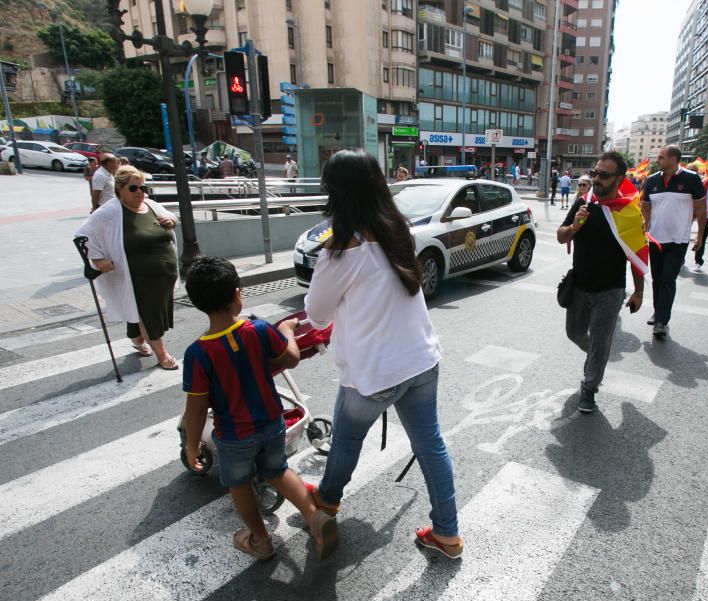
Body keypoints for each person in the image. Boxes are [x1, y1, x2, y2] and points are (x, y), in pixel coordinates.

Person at [304, 149, 463, 559]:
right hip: (421, 360)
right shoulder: (399, 230)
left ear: (334, 192)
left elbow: (316, 313)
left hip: (374, 373)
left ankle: (327, 501)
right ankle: (447, 533)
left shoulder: (339, 251)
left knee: (346, 441)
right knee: (431, 444)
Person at [181, 257, 338, 560]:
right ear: (237, 295)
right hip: (271, 423)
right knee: (278, 470)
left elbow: (197, 406)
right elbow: (290, 358)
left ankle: (261, 539)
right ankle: (314, 515)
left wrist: (192, 445)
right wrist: (288, 331)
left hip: (234, 436)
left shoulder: (198, 354)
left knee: (239, 485)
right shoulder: (259, 330)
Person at [556, 151, 645, 413]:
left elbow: (636, 255)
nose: (597, 179)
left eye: (604, 175)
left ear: (619, 179)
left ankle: (590, 388)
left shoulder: (629, 213)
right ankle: (597, 357)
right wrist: (574, 227)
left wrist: (638, 291)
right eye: (595, 173)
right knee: (574, 333)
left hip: (610, 291)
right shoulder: (583, 203)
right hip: (580, 286)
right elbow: (561, 237)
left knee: (600, 341)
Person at [75, 165, 180, 369]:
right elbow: (83, 235)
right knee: (147, 313)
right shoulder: (110, 212)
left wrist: (171, 220)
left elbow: (173, 218)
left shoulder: (150, 205)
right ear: (120, 189)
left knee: (143, 312)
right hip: (135, 277)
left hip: (163, 276)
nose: (140, 192)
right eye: (134, 188)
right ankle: (162, 355)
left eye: (143, 187)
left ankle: (136, 338)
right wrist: (98, 260)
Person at [640, 145, 706, 339]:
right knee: (657, 278)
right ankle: (657, 311)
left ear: (673, 159)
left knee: (668, 279)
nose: (657, 161)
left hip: (678, 239)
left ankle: (661, 320)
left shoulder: (691, 179)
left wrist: (700, 235)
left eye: (661, 157)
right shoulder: (652, 181)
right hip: (655, 238)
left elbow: (701, 209)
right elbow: (645, 205)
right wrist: (647, 222)